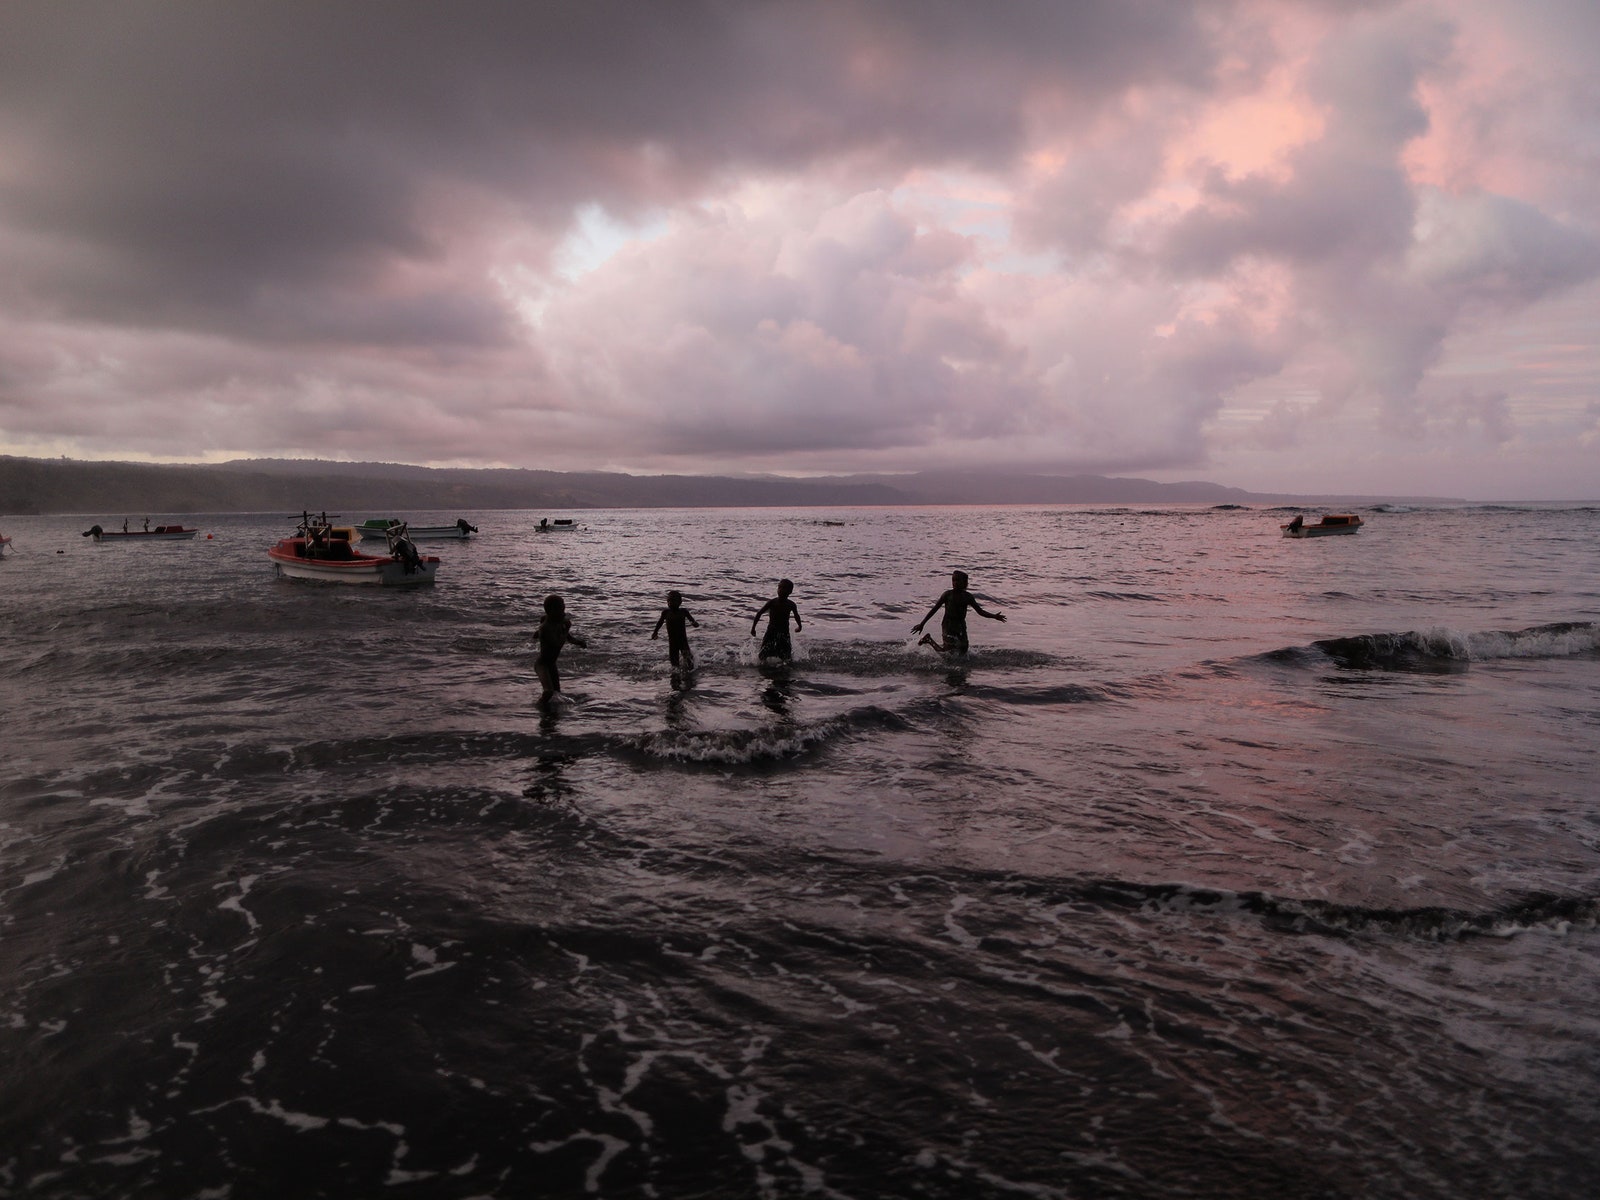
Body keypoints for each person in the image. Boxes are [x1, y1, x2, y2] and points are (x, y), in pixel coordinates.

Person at [912, 570, 1005, 654]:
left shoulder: (968, 597)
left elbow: (980, 611)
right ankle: (929, 640)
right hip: (948, 625)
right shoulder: (947, 595)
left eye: (958, 581)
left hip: (960, 625)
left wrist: (994, 616)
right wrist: (922, 624)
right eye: (953, 580)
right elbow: (934, 609)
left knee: (964, 649)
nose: (955, 583)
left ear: (965, 583)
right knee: (947, 653)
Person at [534, 593, 587, 703]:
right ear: (551, 611)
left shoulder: (558, 623)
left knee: (556, 692)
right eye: (560, 611)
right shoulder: (545, 627)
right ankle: (538, 707)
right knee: (548, 691)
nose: (563, 613)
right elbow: (557, 643)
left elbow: (568, 638)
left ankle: (550, 713)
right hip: (542, 664)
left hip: (552, 664)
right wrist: (567, 628)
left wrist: (579, 642)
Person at [751, 579, 802, 662]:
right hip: (771, 631)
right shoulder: (772, 602)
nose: (781, 590)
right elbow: (759, 613)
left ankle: (785, 667)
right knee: (763, 653)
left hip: (784, 632)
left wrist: (799, 626)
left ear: (790, 591)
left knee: (786, 655)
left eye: (784, 588)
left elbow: (796, 616)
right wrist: (753, 628)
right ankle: (762, 666)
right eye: (779, 587)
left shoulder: (791, 604)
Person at [652, 590, 700, 670]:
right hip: (672, 642)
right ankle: (676, 678)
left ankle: (690, 676)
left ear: (680, 602)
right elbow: (659, 623)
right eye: (669, 601)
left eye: (673, 601)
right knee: (674, 666)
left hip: (683, 641)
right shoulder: (666, 612)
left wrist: (694, 624)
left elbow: (692, 621)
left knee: (689, 663)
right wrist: (655, 632)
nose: (670, 603)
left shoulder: (683, 611)